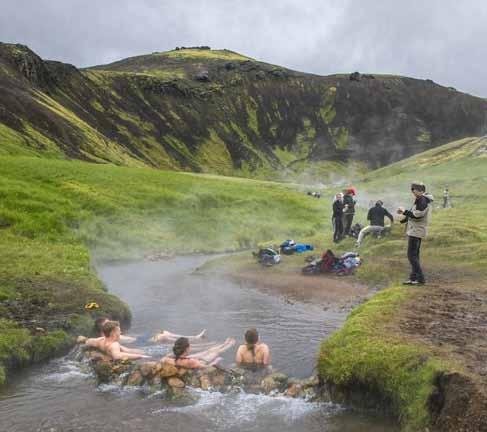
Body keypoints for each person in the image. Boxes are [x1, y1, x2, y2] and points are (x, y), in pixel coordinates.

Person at [397, 182, 434, 285]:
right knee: (414, 255)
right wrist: (403, 219)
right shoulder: (420, 199)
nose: (413, 191)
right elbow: (413, 214)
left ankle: (421, 279)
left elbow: (417, 215)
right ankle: (413, 278)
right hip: (415, 230)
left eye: (415, 189)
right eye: (412, 189)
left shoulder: (422, 200)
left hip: (416, 231)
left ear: (421, 191)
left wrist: (404, 211)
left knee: (411, 256)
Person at [80, 321, 150, 361]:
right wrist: (140, 356)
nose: (121, 332)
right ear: (113, 333)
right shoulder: (114, 345)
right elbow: (117, 356)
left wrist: (84, 340)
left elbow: (88, 341)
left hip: (112, 349)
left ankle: (145, 351)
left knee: (127, 349)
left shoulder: (100, 340)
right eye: (119, 331)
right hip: (113, 353)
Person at [162, 337, 236, 369]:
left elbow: (163, 359)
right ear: (187, 349)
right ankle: (229, 345)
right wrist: (215, 362)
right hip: (203, 361)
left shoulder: (171, 359)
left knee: (208, 350)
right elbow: (206, 367)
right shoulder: (191, 362)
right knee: (215, 352)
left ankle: (224, 343)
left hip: (186, 358)